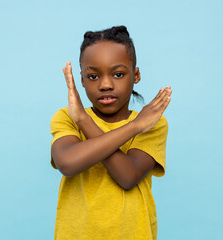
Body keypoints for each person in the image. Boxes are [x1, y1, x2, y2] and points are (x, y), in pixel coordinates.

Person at [50, 26, 172, 240]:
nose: (105, 85)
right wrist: (82, 119)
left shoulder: (152, 123)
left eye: (118, 74)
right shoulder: (68, 117)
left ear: (136, 75)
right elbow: (67, 164)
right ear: (81, 80)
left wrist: (87, 122)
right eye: (93, 76)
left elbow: (128, 176)